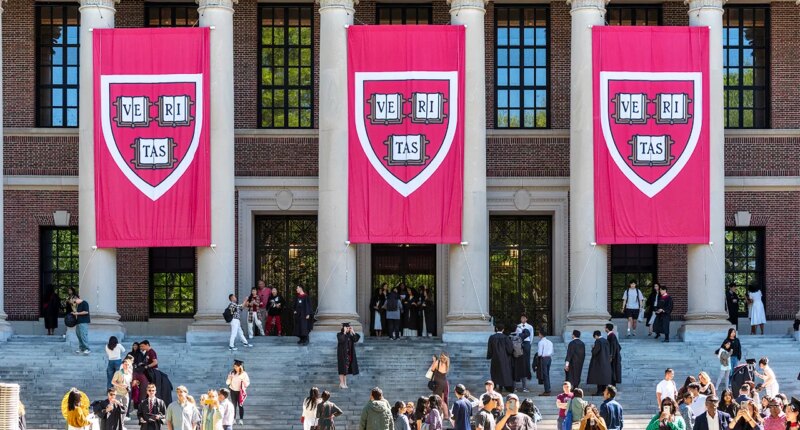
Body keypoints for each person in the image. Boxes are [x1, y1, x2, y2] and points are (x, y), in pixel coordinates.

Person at [488, 324, 515, 392]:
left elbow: (490, 348)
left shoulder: (492, 337)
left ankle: (495, 386)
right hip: (504, 358)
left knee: (495, 372)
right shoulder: (506, 338)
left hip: (495, 358)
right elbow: (509, 349)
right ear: (503, 329)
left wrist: (490, 355)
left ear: (496, 328)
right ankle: (501, 387)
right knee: (503, 372)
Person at [587, 330, 613, 396]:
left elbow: (595, 352)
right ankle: (604, 391)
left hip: (599, 362)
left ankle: (599, 392)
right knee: (604, 378)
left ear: (596, 335)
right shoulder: (606, 341)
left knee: (598, 378)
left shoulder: (598, 341)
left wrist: (593, 348)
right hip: (606, 362)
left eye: (594, 337)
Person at [225, 360, 249, 425]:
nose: (234, 367)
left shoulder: (244, 374)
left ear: (240, 367)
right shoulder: (232, 373)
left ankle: (241, 419)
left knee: (240, 405)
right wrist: (229, 378)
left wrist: (243, 380)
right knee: (233, 406)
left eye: (236, 366)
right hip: (233, 391)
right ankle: (234, 419)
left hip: (240, 392)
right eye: (234, 366)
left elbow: (247, 384)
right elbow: (227, 382)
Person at [337, 322, 360, 389]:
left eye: (348, 328)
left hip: (348, 355)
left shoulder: (350, 335)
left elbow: (356, 339)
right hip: (342, 354)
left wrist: (353, 331)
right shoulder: (339, 334)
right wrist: (344, 332)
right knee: (341, 369)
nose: (348, 329)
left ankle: (344, 383)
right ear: (343, 328)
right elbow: (341, 340)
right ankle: (341, 383)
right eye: (347, 328)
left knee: (345, 370)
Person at [428, 352, 451, 419]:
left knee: (437, 400)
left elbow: (432, 370)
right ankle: (446, 416)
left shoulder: (437, 362)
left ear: (441, 356)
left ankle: (438, 415)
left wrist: (434, 361)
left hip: (438, 384)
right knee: (444, 400)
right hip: (445, 383)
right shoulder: (447, 363)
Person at [514, 315, 534, 392]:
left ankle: (525, 382)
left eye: (524, 318)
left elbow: (531, 335)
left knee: (526, 362)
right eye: (521, 318)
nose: (523, 319)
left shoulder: (530, 326)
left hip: (527, 342)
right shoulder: (518, 326)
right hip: (518, 343)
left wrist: (529, 343)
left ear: (526, 319)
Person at [536, 329, 554, 395]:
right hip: (549, 358)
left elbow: (540, 353)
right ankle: (548, 388)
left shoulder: (541, 342)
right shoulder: (550, 342)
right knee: (547, 374)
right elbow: (552, 351)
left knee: (545, 375)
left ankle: (547, 390)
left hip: (543, 359)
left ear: (540, 334)